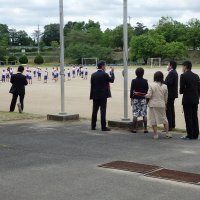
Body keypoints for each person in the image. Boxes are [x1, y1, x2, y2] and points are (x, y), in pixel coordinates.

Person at [90, 60, 115, 131]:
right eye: (105, 65)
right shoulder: (104, 74)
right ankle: (103, 126)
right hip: (103, 95)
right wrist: (112, 72)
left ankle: (93, 126)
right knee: (103, 111)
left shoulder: (93, 74)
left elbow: (92, 85)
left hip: (95, 94)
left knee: (94, 111)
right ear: (102, 66)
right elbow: (112, 80)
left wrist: (92, 95)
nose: (105, 67)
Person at [145, 71, 170, 139]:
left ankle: (156, 134)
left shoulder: (151, 85)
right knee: (164, 119)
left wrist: (145, 95)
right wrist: (165, 104)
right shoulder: (165, 86)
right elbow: (166, 97)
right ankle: (167, 133)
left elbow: (149, 95)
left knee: (153, 120)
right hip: (162, 104)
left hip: (153, 104)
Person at [180, 61, 200, 140]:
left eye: (182, 66)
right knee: (194, 116)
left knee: (188, 117)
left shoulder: (183, 76)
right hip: (195, 99)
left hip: (187, 99)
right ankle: (195, 134)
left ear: (185, 66)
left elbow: (182, 88)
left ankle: (190, 134)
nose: (182, 68)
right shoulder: (196, 76)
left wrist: (183, 91)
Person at [130, 67, 149, 133]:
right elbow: (147, 91)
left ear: (136, 73)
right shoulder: (145, 81)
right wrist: (147, 100)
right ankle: (145, 129)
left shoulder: (133, 81)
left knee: (135, 114)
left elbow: (131, 91)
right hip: (143, 98)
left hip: (135, 98)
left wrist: (131, 99)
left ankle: (134, 129)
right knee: (144, 114)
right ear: (143, 73)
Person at [164, 61, 178, 131]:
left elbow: (168, 82)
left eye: (168, 65)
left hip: (170, 94)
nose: (167, 66)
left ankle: (169, 126)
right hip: (172, 94)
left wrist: (161, 81)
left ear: (171, 66)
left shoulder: (172, 73)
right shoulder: (174, 72)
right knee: (171, 110)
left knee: (168, 110)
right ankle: (172, 125)